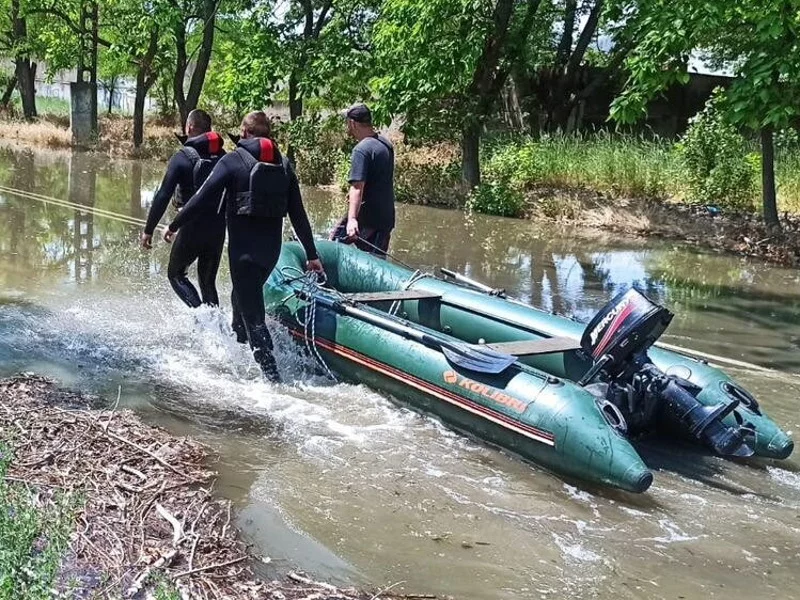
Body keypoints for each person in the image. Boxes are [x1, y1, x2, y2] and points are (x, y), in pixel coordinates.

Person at [163, 111, 323, 382]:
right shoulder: (284, 165)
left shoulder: (233, 161)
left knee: (253, 317)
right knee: (240, 301)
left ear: (245, 133)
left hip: (243, 256)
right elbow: (299, 215)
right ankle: (237, 355)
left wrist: (175, 224)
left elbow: (201, 198)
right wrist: (311, 254)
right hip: (270, 254)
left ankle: (273, 383)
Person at [140, 109, 226, 307]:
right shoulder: (224, 157)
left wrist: (148, 230)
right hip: (218, 227)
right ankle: (217, 327)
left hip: (191, 225)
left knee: (176, 275)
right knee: (207, 283)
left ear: (190, 127)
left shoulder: (182, 157)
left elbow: (163, 195)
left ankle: (203, 320)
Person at [330, 103, 395, 256]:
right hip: (385, 218)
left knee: (333, 248)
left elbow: (357, 187)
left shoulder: (361, 150)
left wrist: (352, 219)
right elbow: (379, 180)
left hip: (366, 219)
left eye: (347, 123)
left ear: (352, 123)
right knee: (377, 262)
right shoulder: (386, 144)